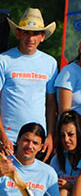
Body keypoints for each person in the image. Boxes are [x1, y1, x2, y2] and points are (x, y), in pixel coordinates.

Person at [1, 8, 59, 157]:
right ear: (18, 33)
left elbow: (51, 103)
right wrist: (2, 137)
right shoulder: (4, 60)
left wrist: (50, 136)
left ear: (42, 37)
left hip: (37, 142)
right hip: (8, 140)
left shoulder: (50, 63)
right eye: (26, 32)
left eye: (35, 34)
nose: (30, 38)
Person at [0, 123, 60, 196]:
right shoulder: (3, 163)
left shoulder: (48, 172)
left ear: (41, 146)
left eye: (35, 143)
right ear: (18, 140)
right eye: (26, 140)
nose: (29, 146)